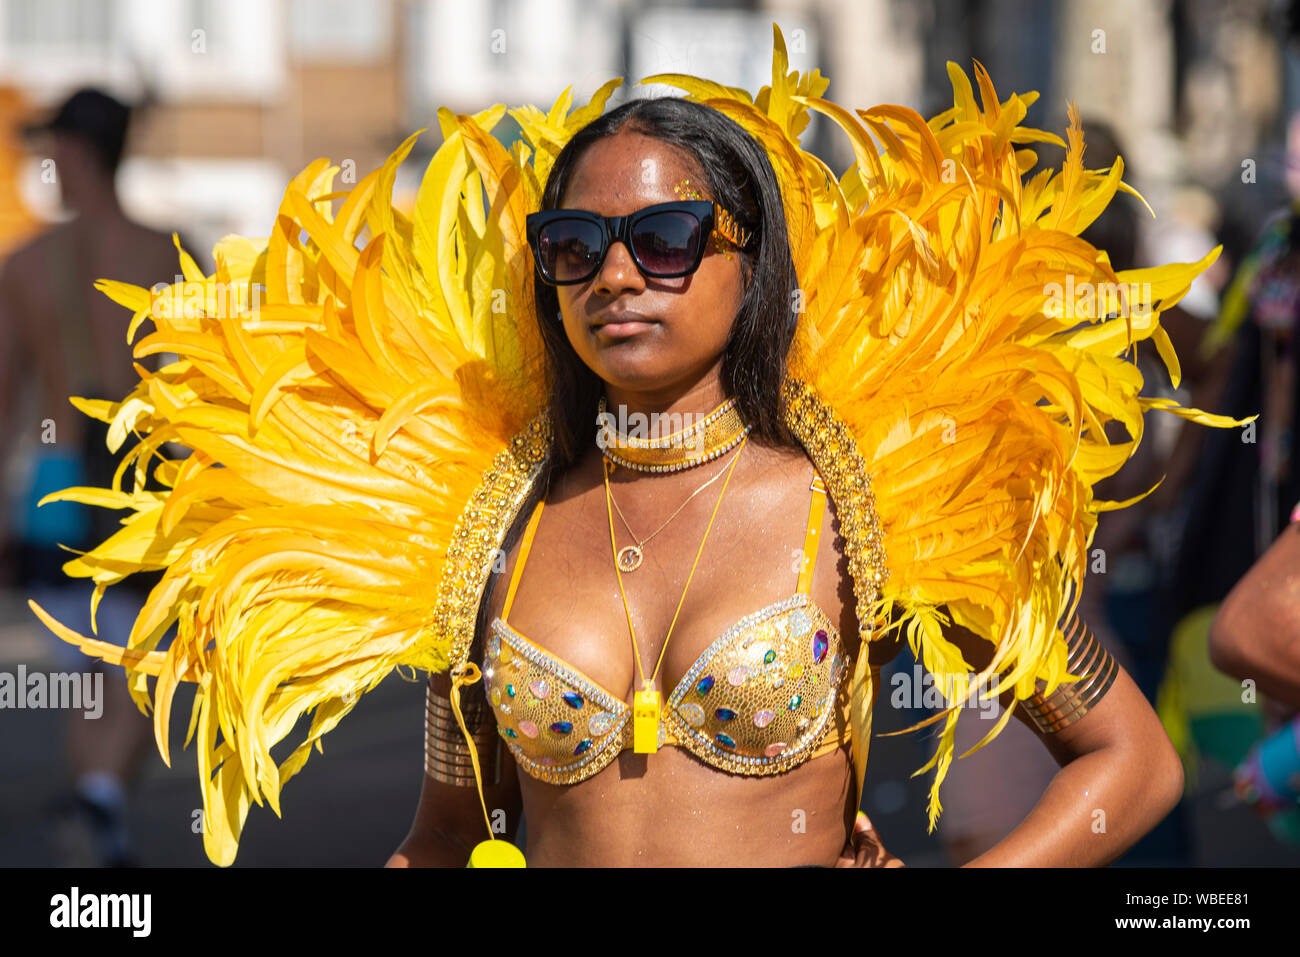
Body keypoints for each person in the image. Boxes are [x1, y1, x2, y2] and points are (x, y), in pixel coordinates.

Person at [28, 26, 1247, 867]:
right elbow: (444, 842)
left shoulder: (880, 495)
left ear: (746, 260)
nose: (617, 274)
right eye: (573, 243)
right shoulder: (482, 521)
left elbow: (1129, 765)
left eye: (665, 236)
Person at [0, 88, 181, 866]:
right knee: (141, 658)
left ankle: (95, 804)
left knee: (86, 661)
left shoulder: (25, 265)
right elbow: (201, 389)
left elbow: (4, 395)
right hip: (144, 478)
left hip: (55, 477)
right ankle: (103, 799)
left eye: (54, 150)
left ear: (78, 155)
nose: (46, 165)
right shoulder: (168, 253)